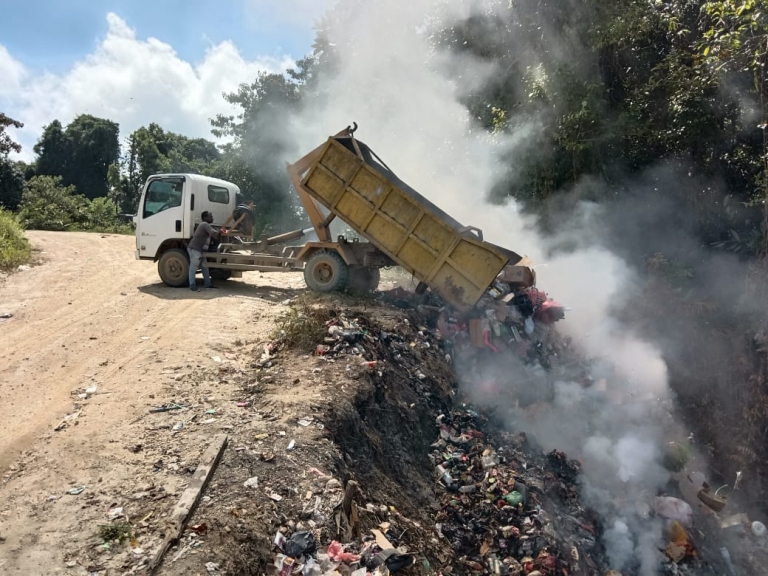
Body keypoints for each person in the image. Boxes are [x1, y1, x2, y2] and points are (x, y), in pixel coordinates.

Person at [187, 211, 219, 291]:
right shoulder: (205, 224)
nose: (212, 218)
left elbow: (215, 236)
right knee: (193, 268)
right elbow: (214, 234)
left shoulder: (205, 225)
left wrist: (219, 232)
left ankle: (207, 284)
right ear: (205, 218)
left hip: (199, 250)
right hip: (195, 250)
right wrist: (220, 232)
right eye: (210, 216)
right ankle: (192, 286)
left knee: (205, 267)